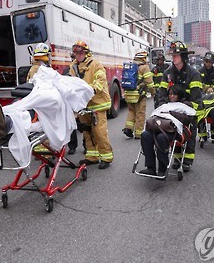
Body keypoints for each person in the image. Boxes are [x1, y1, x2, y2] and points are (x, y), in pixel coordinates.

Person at [158, 41, 202, 171]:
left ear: (183, 56)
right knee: (172, 132)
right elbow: (161, 93)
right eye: (173, 54)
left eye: (176, 54)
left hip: (188, 110)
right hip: (170, 111)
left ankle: (187, 160)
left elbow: (196, 99)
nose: (173, 57)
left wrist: (186, 109)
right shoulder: (168, 73)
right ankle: (177, 159)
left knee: (189, 133)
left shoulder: (193, 74)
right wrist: (161, 106)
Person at [69, 40, 113, 169]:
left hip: (98, 104)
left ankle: (106, 157)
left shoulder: (96, 65)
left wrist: (89, 90)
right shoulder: (73, 66)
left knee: (99, 131)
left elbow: (100, 82)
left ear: (86, 53)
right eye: (75, 53)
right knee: (86, 131)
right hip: (83, 105)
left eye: (80, 52)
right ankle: (92, 156)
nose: (77, 55)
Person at [139, 85, 195, 177]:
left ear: (179, 95)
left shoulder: (186, 105)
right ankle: (150, 168)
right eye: (170, 94)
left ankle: (162, 168)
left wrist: (171, 113)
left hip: (174, 130)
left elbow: (187, 119)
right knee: (145, 135)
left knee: (161, 138)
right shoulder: (165, 104)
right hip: (158, 127)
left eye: (174, 94)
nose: (171, 96)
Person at [122, 51, 156, 139]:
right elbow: (149, 83)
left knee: (131, 111)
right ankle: (138, 133)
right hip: (139, 95)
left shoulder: (130, 66)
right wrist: (153, 93)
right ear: (143, 58)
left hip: (128, 93)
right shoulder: (144, 67)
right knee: (140, 113)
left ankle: (128, 128)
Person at [62, 50, 78, 154]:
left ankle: (87, 147)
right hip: (70, 101)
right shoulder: (67, 70)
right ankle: (72, 146)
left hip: (77, 100)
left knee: (83, 125)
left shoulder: (82, 68)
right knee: (72, 124)